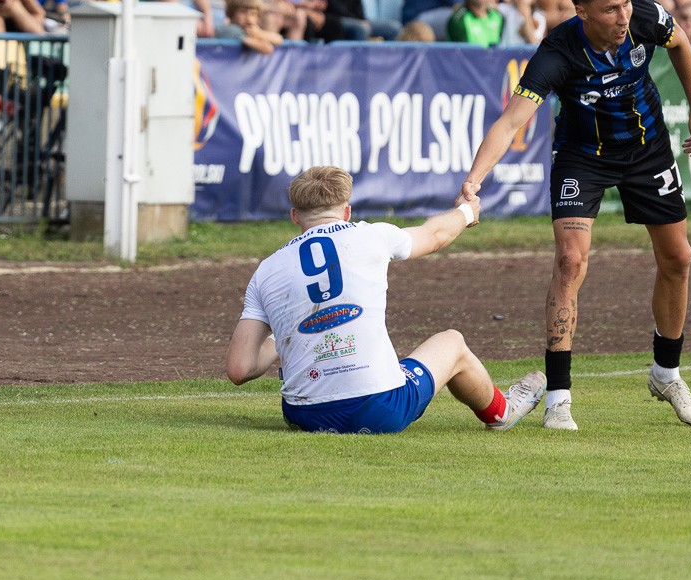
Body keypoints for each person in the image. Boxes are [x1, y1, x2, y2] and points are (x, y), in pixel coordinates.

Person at [461, 0, 691, 431]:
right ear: (582, 12)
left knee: (678, 258)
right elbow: (511, 122)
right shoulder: (557, 52)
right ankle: (558, 398)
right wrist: (474, 181)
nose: (623, 16)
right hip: (582, 157)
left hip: (647, 150)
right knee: (569, 261)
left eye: (625, 3)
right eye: (610, 9)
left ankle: (667, 375)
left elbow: (680, 42)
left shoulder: (644, 16)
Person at [224, 164, 547, 434]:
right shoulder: (371, 234)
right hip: (377, 409)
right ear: (347, 211)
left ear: (295, 216)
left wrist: (285, 335)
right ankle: (502, 412)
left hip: (304, 415)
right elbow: (435, 235)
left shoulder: (266, 270)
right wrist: (465, 211)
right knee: (452, 343)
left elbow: (239, 369)